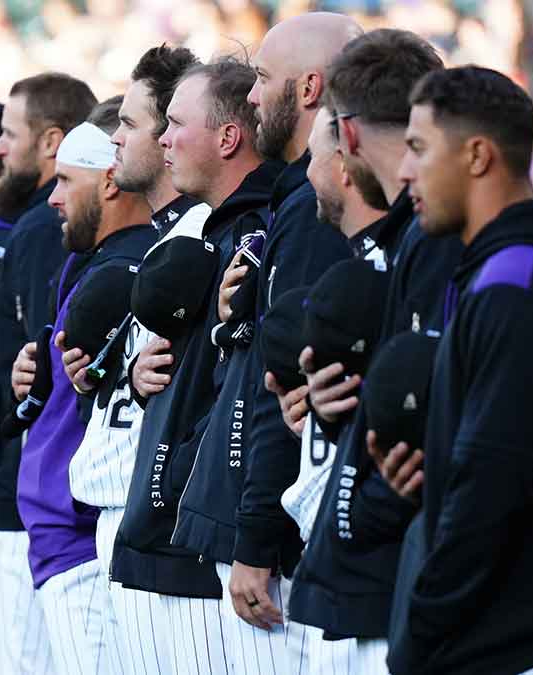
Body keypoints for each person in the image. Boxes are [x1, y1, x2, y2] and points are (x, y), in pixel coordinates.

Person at [379, 65, 533, 675]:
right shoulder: (509, 269)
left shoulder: (516, 287)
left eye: (418, 148)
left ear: (478, 156)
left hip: (518, 646)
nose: (404, 172)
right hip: (513, 632)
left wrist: (418, 635)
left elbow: (495, 487)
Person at [168, 21, 358, 670]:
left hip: (294, 550)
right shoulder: (292, 202)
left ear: (309, 87)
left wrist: (254, 536)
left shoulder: (315, 207)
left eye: (264, 83)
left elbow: (281, 384)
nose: (250, 100)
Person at [283, 29, 454, 675]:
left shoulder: (437, 240)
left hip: (397, 576)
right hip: (358, 563)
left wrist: (371, 510)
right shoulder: (408, 240)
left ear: (347, 136)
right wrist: (324, 410)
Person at [114, 56, 280, 672]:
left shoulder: (265, 228)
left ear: (228, 137)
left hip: (224, 543)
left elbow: (252, 394)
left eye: (174, 123)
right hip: (185, 529)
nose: (161, 139)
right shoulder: (213, 229)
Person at [63, 44, 208, 675]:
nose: (115, 137)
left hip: (161, 523)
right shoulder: (161, 239)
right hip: (122, 520)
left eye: (132, 122)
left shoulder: (205, 233)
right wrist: (99, 376)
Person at [0, 72, 97, 673]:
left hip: (31, 514)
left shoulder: (46, 227)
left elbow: (49, 374)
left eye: (10, 135)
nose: (0, 150)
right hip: (27, 508)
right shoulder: (38, 225)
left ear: (52, 141)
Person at [11, 101, 157, 675]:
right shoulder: (89, 264)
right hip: (66, 532)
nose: (52, 196)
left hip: (82, 534)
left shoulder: (132, 266)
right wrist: (28, 379)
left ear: (111, 181)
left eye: (68, 180)